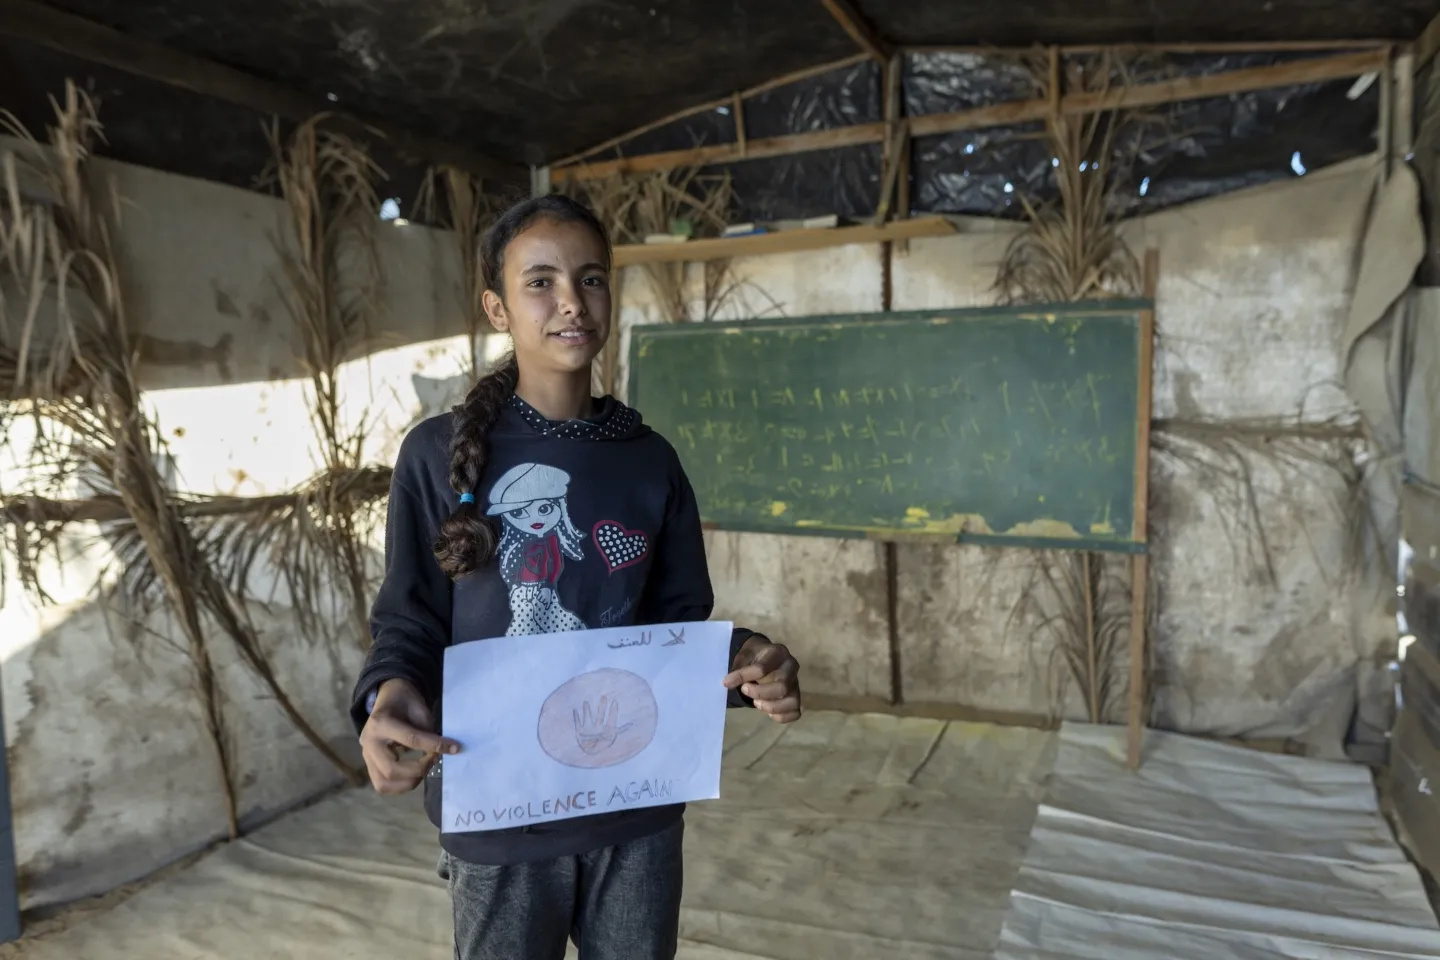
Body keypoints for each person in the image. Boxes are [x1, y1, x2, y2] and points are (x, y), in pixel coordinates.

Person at [350, 193, 802, 960]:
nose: (571, 301)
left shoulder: (650, 460)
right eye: (540, 282)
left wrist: (748, 659)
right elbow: (410, 619)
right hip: (499, 807)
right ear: (497, 308)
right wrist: (390, 693)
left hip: (635, 804)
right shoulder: (436, 454)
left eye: (591, 278)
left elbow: (674, 629)